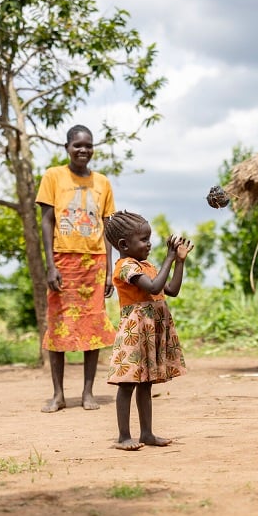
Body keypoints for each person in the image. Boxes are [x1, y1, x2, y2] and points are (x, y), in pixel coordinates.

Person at [36, 124, 117, 413]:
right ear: (67, 148)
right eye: (78, 145)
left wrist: (109, 271)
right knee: (58, 326)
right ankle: (58, 395)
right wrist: (50, 265)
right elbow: (47, 221)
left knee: (92, 326)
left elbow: (108, 228)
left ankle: (87, 392)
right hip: (63, 261)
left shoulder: (102, 182)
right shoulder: (53, 176)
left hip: (94, 263)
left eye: (88, 145)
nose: (83, 150)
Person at [103, 210, 192, 450]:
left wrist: (179, 261)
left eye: (148, 238)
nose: (149, 244)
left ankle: (147, 433)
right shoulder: (125, 267)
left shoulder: (146, 265)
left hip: (150, 331)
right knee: (127, 384)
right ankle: (123, 437)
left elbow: (171, 290)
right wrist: (169, 258)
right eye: (143, 240)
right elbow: (153, 287)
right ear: (124, 245)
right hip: (135, 331)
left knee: (146, 382)